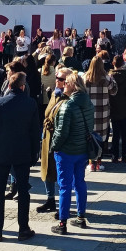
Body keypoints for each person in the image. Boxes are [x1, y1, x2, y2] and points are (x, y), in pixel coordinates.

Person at [0, 71, 39, 242]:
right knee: (23, 191)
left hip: (1, 152)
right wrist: (34, 153)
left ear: (9, 86)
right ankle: (23, 228)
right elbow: (34, 132)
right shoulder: (30, 103)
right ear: (23, 87)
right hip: (22, 152)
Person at [50, 71, 95, 234]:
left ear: (73, 86)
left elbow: (61, 132)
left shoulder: (67, 106)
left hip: (67, 151)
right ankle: (81, 216)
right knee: (80, 182)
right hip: (82, 149)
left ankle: (62, 222)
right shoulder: (88, 103)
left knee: (64, 186)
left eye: (66, 83)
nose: (63, 85)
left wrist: (54, 146)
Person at [37, 67, 69, 214]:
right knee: (47, 169)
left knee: (61, 174)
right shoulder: (55, 94)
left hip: (60, 140)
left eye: (61, 79)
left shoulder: (69, 98)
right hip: (47, 137)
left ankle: (64, 205)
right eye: (57, 77)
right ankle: (50, 199)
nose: (57, 80)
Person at [84, 54, 117, 171]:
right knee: (102, 137)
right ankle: (99, 162)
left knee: (89, 136)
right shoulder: (106, 78)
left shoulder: (85, 78)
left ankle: (90, 162)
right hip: (102, 112)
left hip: (89, 112)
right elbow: (114, 91)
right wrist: (112, 78)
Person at [109, 54, 126, 162]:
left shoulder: (110, 76)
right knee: (124, 133)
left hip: (113, 106)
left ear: (113, 64)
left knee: (115, 133)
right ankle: (124, 155)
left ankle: (114, 155)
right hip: (124, 106)